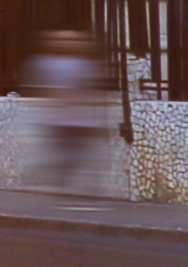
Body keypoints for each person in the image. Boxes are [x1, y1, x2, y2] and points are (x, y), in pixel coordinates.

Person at [13, 23, 133, 198]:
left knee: (79, 154)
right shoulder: (46, 64)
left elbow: (93, 93)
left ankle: (73, 186)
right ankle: (52, 180)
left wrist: (100, 119)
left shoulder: (84, 65)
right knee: (66, 154)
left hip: (81, 120)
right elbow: (39, 90)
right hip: (60, 120)